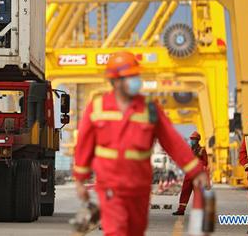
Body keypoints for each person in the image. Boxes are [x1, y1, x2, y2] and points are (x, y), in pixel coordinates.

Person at [73, 51, 209, 236]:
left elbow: (173, 142)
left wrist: (195, 171)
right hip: (111, 186)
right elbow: (84, 145)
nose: (136, 80)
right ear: (116, 80)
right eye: (131, 76)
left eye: (136, 75)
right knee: (116, 230)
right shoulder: (97, 108)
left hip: (139, 187)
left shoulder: (149, 108)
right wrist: (80, 180)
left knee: (136, 231)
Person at [172, 131, 209, 215]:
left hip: (197, 174)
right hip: (188, 174)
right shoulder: (189, 149)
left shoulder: (202, 150)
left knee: (198, 193)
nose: (192, 141)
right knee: (185, 191)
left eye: (194, 139)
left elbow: (205, 162)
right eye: (192, 139)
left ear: (198, 140)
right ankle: (181, 210)